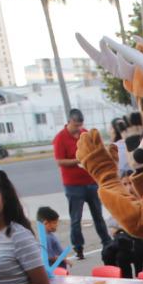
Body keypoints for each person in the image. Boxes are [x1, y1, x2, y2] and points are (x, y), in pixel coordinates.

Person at [52, 108, 112, 261]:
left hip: (91, 182)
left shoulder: (85, 133)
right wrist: (77, 161)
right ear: (69, 122)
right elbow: (59, 161)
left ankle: (107, 243)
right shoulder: (61, 138)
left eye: (80, 125)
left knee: (98, 215)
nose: (78, 129)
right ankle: (78, 248)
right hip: (73, 185)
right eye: (75, 125)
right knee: (76, 219)